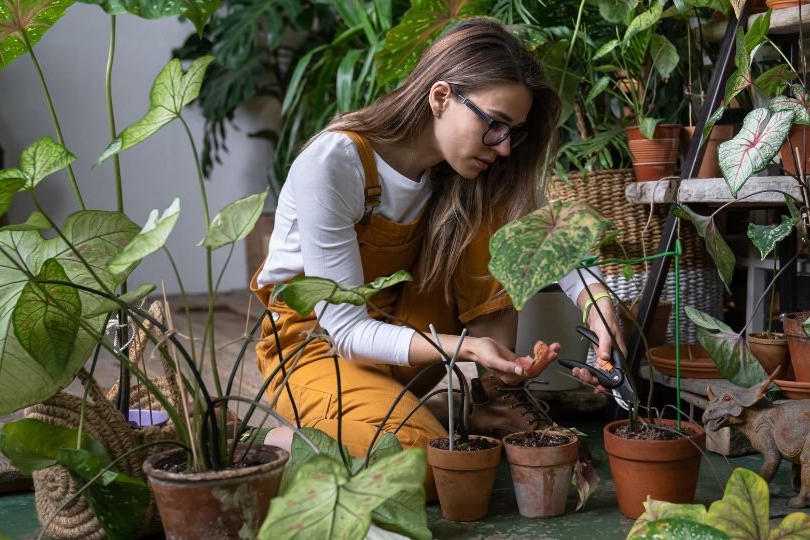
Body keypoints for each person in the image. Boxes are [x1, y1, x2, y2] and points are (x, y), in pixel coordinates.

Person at [249, 19, 622, 476]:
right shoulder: (336, 163)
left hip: (403, 332)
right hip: (318, 348)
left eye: (513, 132)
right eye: (495, 125)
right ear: (441, 97)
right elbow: (346, 333)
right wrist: (469, 348)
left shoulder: (468, 172)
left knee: (496, 202)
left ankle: (494, 403)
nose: (503, 147)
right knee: (425, 469)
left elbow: (548, 238)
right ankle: (274, 448)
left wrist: (599, 305)